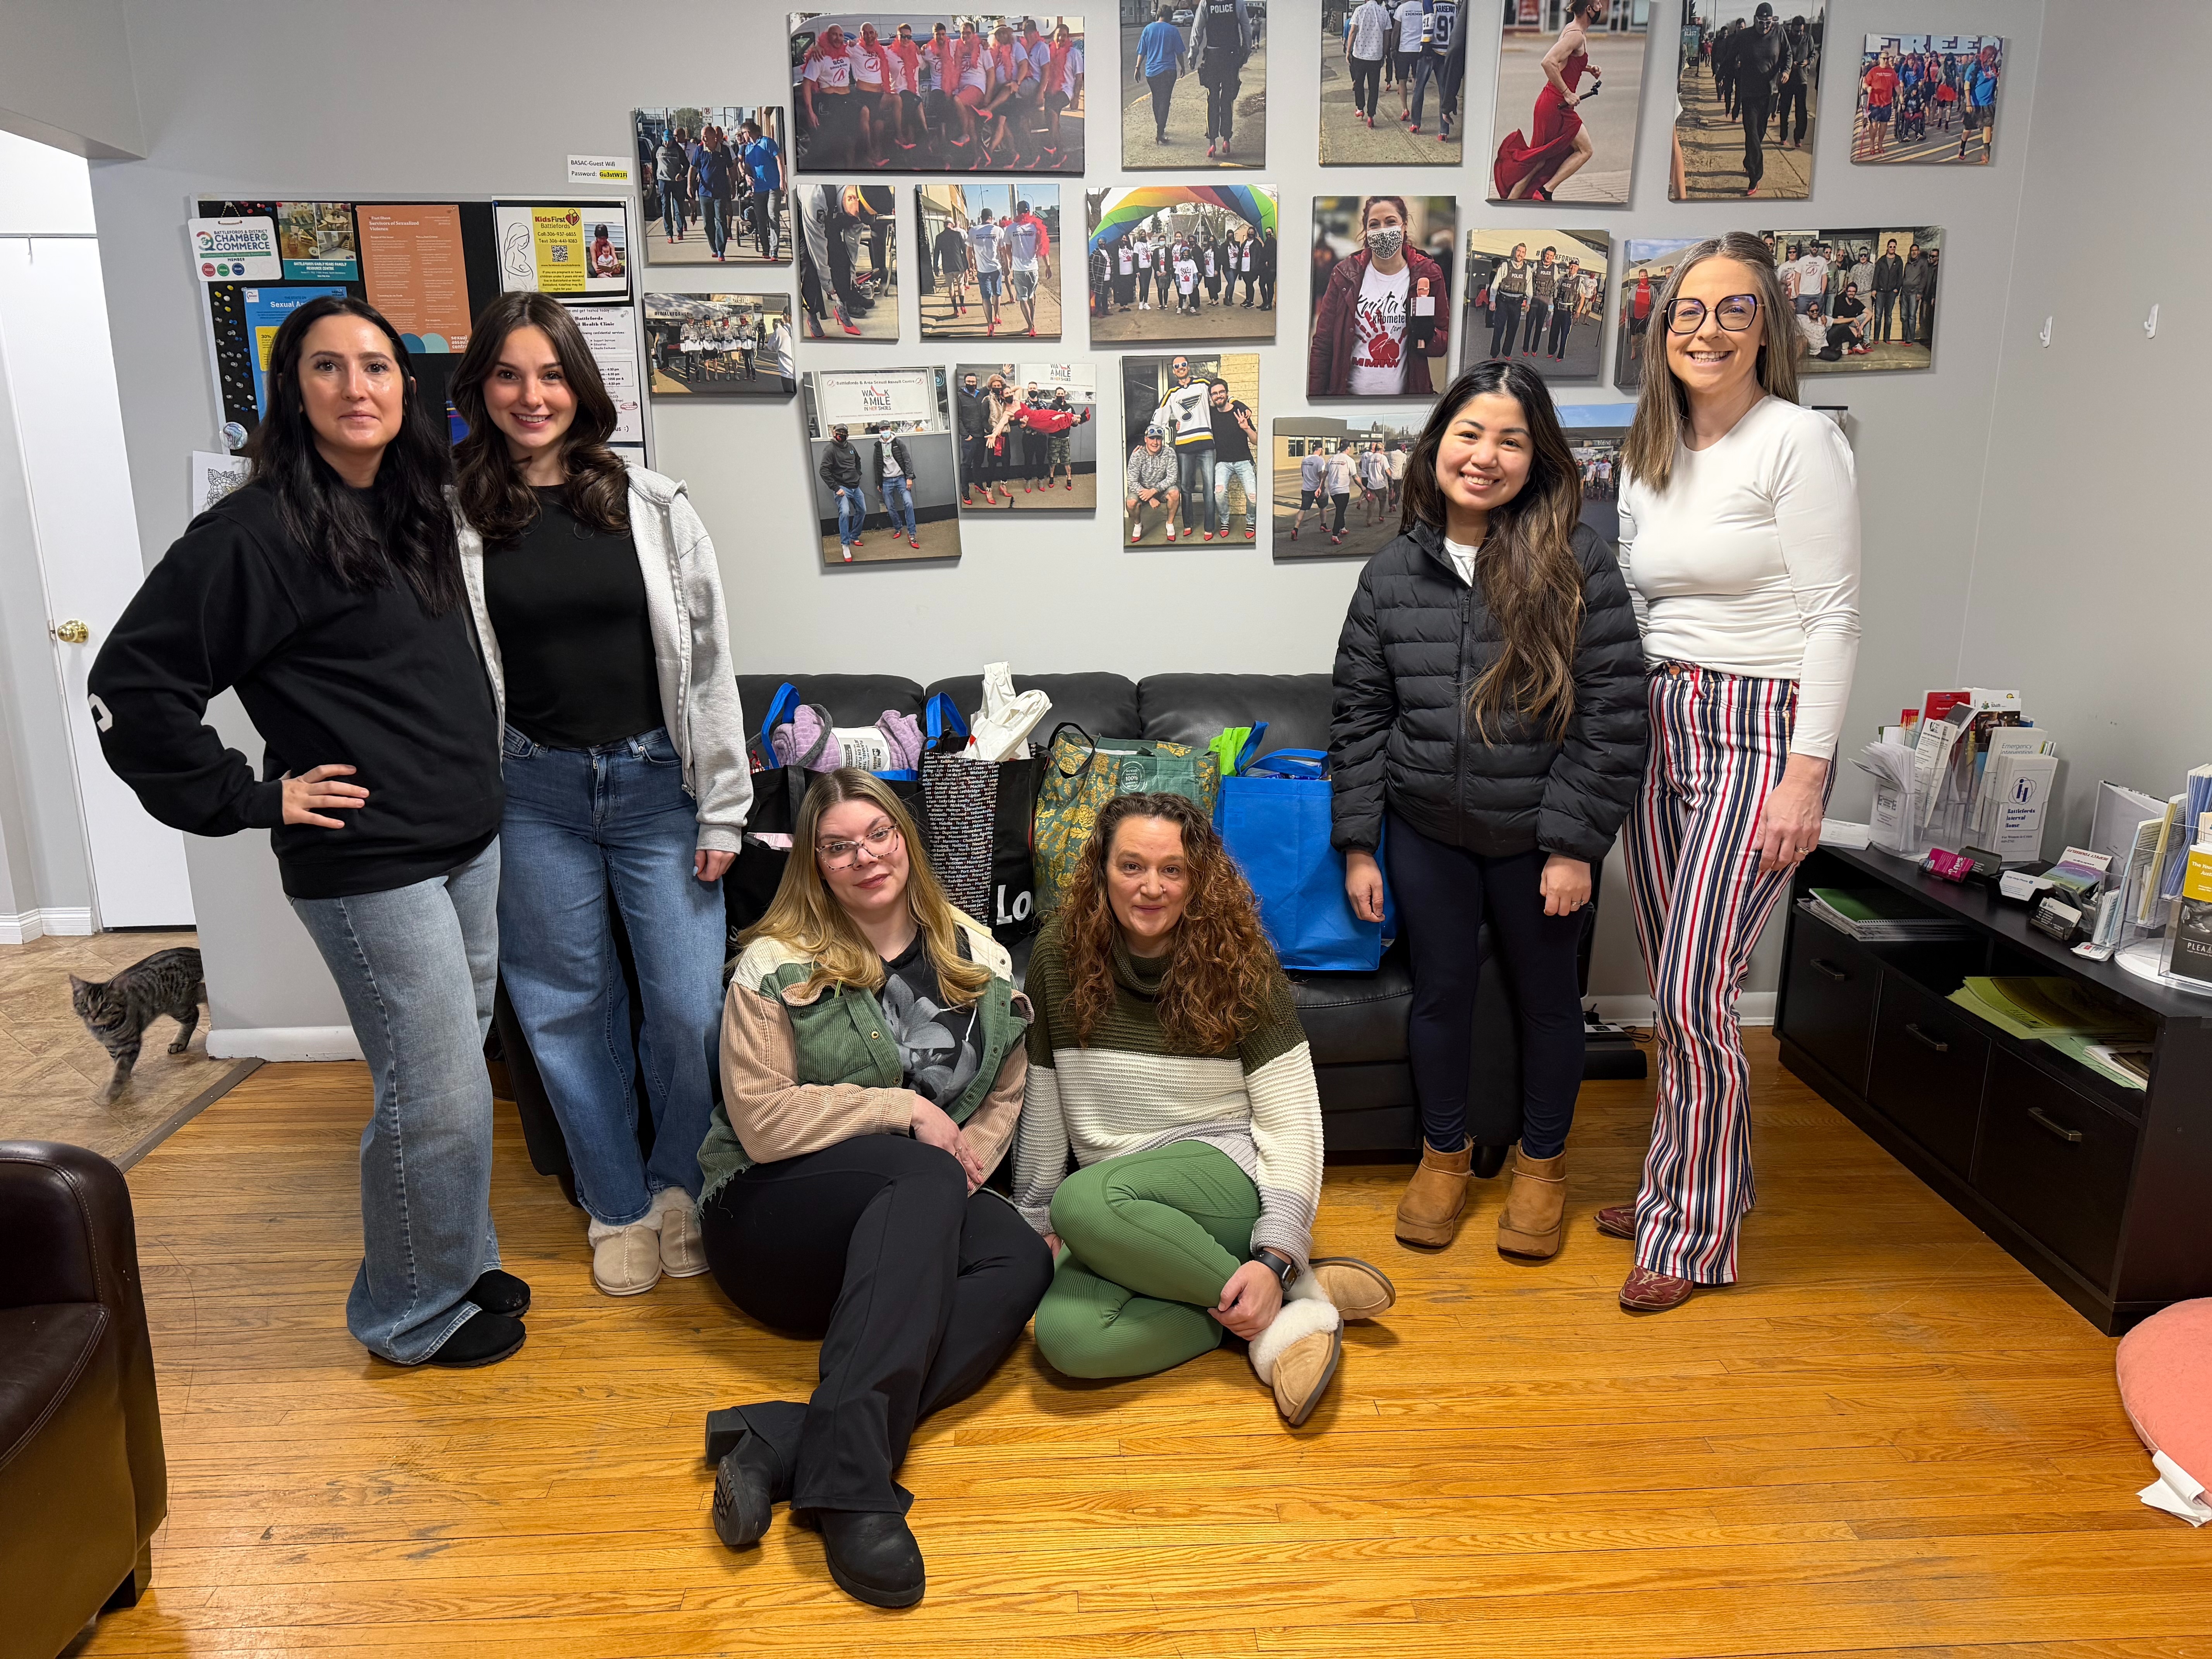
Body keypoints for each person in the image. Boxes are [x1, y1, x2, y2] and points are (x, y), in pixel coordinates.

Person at [88, 294, 520, 1368]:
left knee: (452, 1074)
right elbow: (130, 688)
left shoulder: (415, 503)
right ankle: (409, 1315)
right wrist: (251, 795)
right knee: (439, 1094)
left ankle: (456, 1262)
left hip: (466, 840)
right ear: (295, 392)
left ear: (401, 385)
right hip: (372, 864)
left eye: (375, 365)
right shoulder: (255, 533)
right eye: (327, 368)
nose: (357, 386)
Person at [445, 292, 746, 1297]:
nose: (532, 395)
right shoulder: (453, 519)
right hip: (534, 795)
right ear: (481, 388)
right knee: (569, 1010)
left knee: (686, 1007)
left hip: (661, 785)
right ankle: (615, 1205)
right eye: (509, 375)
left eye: (551, 373)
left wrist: (725, 806)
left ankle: (676, 1189)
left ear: (582, 384)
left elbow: (709, 666)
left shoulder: (656, 506)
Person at [697, 770, 1047, 1608]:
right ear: (815, 864)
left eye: (879, 836)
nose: (865, 858)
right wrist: (900, 1112)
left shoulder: (980, 958)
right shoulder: (773, 964)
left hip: (905, 1230)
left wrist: (966, 1167)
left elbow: (1001, 1092)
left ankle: (790, 1441)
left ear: (907, 840)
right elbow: (761, 1123)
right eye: (839, 846)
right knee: (918, 1162)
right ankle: (852, 1488)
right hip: (769, 1219)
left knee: (1021, 1261)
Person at [1331, 361, 1645, 1256]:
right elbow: (1359, 717)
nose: (1486, 455)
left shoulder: (1578, 560)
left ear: (1536, 457)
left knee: (1549, 1006)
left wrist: (1575, 845)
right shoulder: (1390, 574)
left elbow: (1616, 713)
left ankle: (1542, 1168)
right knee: (1441, 1000)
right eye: (1471, 434)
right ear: (1438, 447)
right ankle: (1444, 1156)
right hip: (1427, 836)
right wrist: (1360, 844)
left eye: (1511, 439)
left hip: (1539, 842)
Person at [1611, 232, 1860, 1312]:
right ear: (1663, 330)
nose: (1706, 329)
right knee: (1681, 984)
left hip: (1760, 726)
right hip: (1660, 719)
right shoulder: (1652, 451)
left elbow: (1835, 616)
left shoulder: (1800, 441)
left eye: (1733, 310)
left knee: (1694, 991)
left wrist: (1806, 777)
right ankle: (1704, 1175)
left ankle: (1691, 1232)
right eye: (1687, 311)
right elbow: (1640, 601)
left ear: (1769, 328)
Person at [1016, 793, 1397, 1425]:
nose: (1151, 887)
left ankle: (1272, 1291)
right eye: (1131, 866)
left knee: (1080, 1200)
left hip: (1219, 1175)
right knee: (1067, 1340)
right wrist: (1034, 1216)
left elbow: (1292, 1119)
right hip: (1120, 1202)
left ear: (1198, 876)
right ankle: (1272, 1304)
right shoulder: (1057, 955)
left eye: (1172, 869)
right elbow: (1045, 1091)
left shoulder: (1239, 959)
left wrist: (1277, 1247)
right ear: (1100, 868)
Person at [1309, 196, 1451, 400]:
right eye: (1374, 225)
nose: (1383, 230)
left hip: (1404, 401)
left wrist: (1428, 335)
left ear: (1404, 226)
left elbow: (1443, 344)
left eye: (1391, 222)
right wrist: (1316, 398)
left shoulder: (1428, 275)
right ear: (1367, 231)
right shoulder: (1344, 275)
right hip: (1348, 397)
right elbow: (1323, 343)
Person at [1493, 0, 1603, 202]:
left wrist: (1588, 68)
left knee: (1540, 161)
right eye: (1597, 3)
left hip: (1552, 103)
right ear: (1589, 9)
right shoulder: (1576, 34)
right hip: (1556, 105)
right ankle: (1545, 192)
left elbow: (1565, 61)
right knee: (1583, 151)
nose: (1601, 6)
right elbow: (1548, 62)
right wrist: (1567, 93)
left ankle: (1517, 200)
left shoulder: (1573, 30)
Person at [1726, 3, 1787, 198]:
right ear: (1755, 20)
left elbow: (1788, 55)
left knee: (1759, 134)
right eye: (1761, 23)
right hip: (1750, 93)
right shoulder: (1744, 36)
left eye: (1768, 22)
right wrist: (1721, 76)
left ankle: (1749, 161)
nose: (1765, 26)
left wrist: (1786, 70)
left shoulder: (1779, 33)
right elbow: (1730, 57)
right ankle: (1755, 177)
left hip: (1769, 93)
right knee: (1751, 132)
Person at [1154, 356, 1216, 538]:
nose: (1180, 368)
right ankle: (1188, 524)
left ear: (1188, 367)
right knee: (1186, 487)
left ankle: (1209, 527)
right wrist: (1148, 443)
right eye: (1177, 366)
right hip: (1184, 446)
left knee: (1209, 487)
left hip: (1206, 443)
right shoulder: (1172, 393)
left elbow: (1220, 397)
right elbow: (1159, 418)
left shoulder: (1204, 384)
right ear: (1174, 371)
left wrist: (1239, 405)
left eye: (1183, 365)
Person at [1192, 0, 1250, 159]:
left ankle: (1212, 142)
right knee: (1227, 99)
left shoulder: (1206, 3)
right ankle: (1226, 140)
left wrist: (1193, 53)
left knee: (1213, 98)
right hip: (1231, 57)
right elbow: (1246, 28)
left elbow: (1197, 29)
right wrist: (1247, 49)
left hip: (1213, 57)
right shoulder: (1237, 3)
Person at [801, 25, 860, 170]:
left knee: (852, 136)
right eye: (835, 35)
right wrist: (810, 112)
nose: (838, 39)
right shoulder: (820, 57)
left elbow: (867, 45)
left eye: (841, 35)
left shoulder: (847, 51)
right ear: (827, 36)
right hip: (830, 100)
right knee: (838, 140)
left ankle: (852, 168)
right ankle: (838, 170)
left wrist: (855, 42)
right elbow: (807, 84)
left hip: (847, 98)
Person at [1207, 379, 1258, 542]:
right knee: (1219, 493)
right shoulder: (1211, 414)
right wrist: (1182, 424)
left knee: (1253, 495)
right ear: (1212, 397)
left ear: (1227, 393)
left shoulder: (1240, 412)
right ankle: (1224, 521)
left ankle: (1250, 522)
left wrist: (1247, 428)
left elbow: (1257, 441)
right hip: (1223, 462)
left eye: (1221, 392)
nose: (1218, 396)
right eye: (1215, 394)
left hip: (1244, 461)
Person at [1408, 0, 1464, 138]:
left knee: (1419, 89)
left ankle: (1416, 123)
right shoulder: (1452, 4)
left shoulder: (1430, 1)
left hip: (1431, 50)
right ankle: (1444, 131)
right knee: (1444, 93)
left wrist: (1426, 44)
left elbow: (1429, 19)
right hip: (1446, 51)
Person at [1136, 2, 1186, 144]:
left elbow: (1142, 51)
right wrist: (1183, 67)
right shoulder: (1173, 30)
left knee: (1157, 99)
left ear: (1158, 15)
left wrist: (1137, 68)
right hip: (1168, 72)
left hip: (1151, 72)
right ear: (1170, 17)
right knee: (1165, 101)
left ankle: (1161, 126)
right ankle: (1160, 132)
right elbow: (1179, 52)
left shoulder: (1148, 29)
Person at [1125, 424, 1182, 543]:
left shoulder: (1169, 453)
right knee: (1131, 502)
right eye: (1152, 438)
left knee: (1175, 493)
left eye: (1159, 439)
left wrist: (1154, 491)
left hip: (1160, 490)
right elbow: (1132, 481)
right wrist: (1150, 497)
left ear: (1162, 440)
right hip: (1142, 491)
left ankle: (1170, 524)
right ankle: (1138, 525)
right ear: (1146, 439)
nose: (1155, 443)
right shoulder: (1137, 455)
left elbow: (1172, 478)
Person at [818, 422, 867, 561]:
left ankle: (854, 536)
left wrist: (858, 475)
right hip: (842, 488)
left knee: (862, 510)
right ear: (834, 433)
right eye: (839, 433)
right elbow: (824, 471)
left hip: (855, 486)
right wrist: (836, 488)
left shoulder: (851, 447)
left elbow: (858, 461)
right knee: (845, 512)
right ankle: (845, 545)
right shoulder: (830, 450)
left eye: (844, 433)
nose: (841, 435)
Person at [1005, 199, 1052, 338]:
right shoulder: (1036, 227)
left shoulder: (1011, 229)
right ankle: (1033, 324)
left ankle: (1030, 326)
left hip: (1019, 270)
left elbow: (1008, 250)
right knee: (1031, 297)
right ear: (1030, 212)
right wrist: (1048, 267)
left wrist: (1011, 262)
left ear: (1017, 212)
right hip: (1033, 269)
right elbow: (1044, 249)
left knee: (1022, 299)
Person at [1343, 0, 1391, 128]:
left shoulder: (1360, 10)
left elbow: (1353, 31)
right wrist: (1384, 53)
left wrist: (1348, 50)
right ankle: (1371, 115)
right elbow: (1387, 36)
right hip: (1376, 56)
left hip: (1359, 55)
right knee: (1374, 86)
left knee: (1359, 83)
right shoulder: (1384, 13)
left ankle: (1360, 109)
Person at [965, 206, 1005, 335]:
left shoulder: (973, 231)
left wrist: (970, 263)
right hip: (996, 268)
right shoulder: (998, 230)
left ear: (981, 218)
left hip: (982, 270)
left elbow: (969, 251)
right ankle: (997, 315)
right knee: (997, 294)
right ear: (991, 218)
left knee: (985, 298)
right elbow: (1003, 249)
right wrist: (1006, 264)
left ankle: (989, 324)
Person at [1488, 244, 1532, 362]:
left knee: (1513, 329)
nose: (1520, 254)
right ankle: (1495, 354)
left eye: (1523, 252)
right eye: (1518, 251)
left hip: (1517, 304)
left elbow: (1529, 287)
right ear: (1515, 252)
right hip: (1503, 302)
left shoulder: (1528, 269)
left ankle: (1507, 352)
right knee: (1499, 328)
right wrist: (1492, 300)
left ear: (1525, 254)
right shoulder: (1505, 266)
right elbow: (1496, 284)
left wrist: (1529, 301)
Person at [955, 369, 990, 503]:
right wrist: (966, 435)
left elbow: (992, 384)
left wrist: (1003, 373)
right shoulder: (960, 396)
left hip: (981, 436)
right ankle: (965, 493)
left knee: (979, 463)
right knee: (966, 465)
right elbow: (958, 418)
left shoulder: (981, 393)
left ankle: (978, 484)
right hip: (969, 438)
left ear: (977, 383)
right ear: (965, 382)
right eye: (969, 382)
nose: (972, 384)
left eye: (974, 382)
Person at [1289, 442, 1334, 543]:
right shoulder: (1320, 460)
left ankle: (1295, 528)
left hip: (1306, 488)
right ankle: (1324, 525)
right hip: (1317, 488)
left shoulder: (1305, 459)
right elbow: (1321, 475)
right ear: (1320, 450)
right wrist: (1321, 488)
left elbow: (1303, 474)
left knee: (1303, 508)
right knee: (1323, 506)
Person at [1861, 45, 1898, 158]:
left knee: (1884, 125)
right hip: (1875, 103)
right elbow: (1865, 83)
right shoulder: (1874, 71)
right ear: (1880, 59)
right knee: (1874, 125)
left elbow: (1896, 85)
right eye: (1884, 59)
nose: (1886, 61)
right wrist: (1868, 88)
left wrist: (1901, 96)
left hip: (1887, 103)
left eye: (1887, 59)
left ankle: (1880, 143)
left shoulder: (1892, 72)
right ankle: (1872, 144)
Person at [656, 126, 692, 243]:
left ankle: (680, 230)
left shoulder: (678, 150)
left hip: (677, 182)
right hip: (663, 181)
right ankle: (669, 233)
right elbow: (653, 164)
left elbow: (686, 165)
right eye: (666, 141)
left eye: (670, 141)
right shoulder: (657, 149)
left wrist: (681, 174)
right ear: (663, 139)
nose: (668, 143)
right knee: (666, 207)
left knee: (679, 207)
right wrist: (656, 180)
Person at [932, 213, 969, 322]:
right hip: (959, 265)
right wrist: (966, 264)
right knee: (961, 285)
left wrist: (935, 267)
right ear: (952, 225)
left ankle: (955, 310)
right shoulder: (957, 235)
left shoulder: (939, 237)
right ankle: (962, 305)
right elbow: (964, 250)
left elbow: (936, 253)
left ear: (944, 225)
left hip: (947, 266)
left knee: (951, 287)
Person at [1523, 245, 1560, 356]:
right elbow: (1529, 281)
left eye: (1551, 256)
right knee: (1529, 325)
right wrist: (1528, 299)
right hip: (1534, 298)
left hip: (1545, 300)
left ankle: (1534, 350)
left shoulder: (1555, 268)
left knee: (1540, 326)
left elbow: (1556, 283)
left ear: (1554, 257)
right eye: (1547, 254)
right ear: (1544, 254)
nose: (1549, 257)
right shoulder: (1536, 265)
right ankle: (1526, 349)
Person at [1871, 237, 1903, 343]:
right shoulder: (1881, 260)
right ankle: (1876, 338)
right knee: (1878, 315)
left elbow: (1900, 277)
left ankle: (1887, 338)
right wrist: (1874, 289)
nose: (1892, 248)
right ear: (1887, 248)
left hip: (1891, 292)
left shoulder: (1899, 261)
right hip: (1880, 291)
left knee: (1888, 315)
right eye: (1891, 247)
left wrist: (1897, 289)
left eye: (1894, 247)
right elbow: (1876, 276)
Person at [1899, 242, 1930, 347]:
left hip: (1915, 293)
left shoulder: (1923, 263)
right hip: (1905, 292)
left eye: (1915, 250)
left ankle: (1910, 339)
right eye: (1912, 250)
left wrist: (1920, 292)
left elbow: (1924, 278)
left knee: (1912, 316)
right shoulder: (1908, 263)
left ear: (1919, 251)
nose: (1914, 252)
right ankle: (1904, 338)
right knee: (1904, 316)